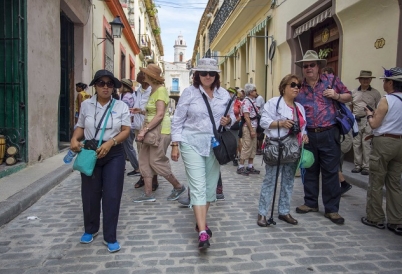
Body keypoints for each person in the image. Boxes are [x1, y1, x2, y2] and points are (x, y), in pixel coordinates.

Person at [171, 58, 235, 249]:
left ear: (216, 76)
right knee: (198, 187)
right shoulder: (189, 93)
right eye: (203, 72)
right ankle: (202, 232)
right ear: (197, 74)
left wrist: (228, 120)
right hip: (191, 142)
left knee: (209, 188)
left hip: (214, 145)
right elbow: (177, 120)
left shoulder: (224, 95)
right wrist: (175, 144)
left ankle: (201, 222)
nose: (207, 76)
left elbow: (231, 119)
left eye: (211, 73)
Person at [70, 69, 131, 253]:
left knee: (112, 194)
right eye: (101, 83)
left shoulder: (121, 107)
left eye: (109, 84)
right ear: (95, 85)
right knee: (90, 193)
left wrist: (111, 142)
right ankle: (90, 229)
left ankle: (110, 236)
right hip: (90, 152)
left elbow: (126, 130)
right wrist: (74, 139)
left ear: (114, 87)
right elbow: (81, 126)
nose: (106, 87)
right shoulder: (87, 105)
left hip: (114, 153)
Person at [294, 50, 351, 225]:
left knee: (331, 173)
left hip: (328, 132)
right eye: (305, 66)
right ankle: (311, 203)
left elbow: (349, 95)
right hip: (308, 134)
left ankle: (332, 209)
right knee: (309, 168)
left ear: (318, 66)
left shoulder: (331, 81)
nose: (309, 68)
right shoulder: (298, 87)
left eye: (312, 65)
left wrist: (337, 96)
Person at [258, 74, 308, 227]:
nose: (296, 88)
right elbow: (263, 122)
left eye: (298, 85)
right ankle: (263, 213)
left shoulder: (299, 107)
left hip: (293, 148)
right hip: (276, 147)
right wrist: (280, 123)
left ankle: (284, 211)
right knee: (270, 181)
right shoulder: (274, 103)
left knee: (288, 181)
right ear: (284, 86)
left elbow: (303, 126)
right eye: (293, 85)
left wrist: (305, 135)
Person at [133, 64, 186, 202]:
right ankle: (148, 194)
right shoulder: (152, 90)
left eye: (144, 73)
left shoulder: (161, 90)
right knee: (144, 161)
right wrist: (141, 111)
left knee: (156, 161)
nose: (142, 75)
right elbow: (154, 111)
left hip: (160, 131)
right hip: (151, 131)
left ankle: (178, 186)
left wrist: (144, 130)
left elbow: (160, 114)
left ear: (150, 76)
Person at [361, 67, 402, 236]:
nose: (383, 83)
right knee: (395, 183)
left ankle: (375, 217)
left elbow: (375, 124)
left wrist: (370, 115)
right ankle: (396, 220)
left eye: (385, 81)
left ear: (391, 83)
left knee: (377, 181)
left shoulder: (386, 99)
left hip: (384, 141)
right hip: (400, 142)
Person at [323, 67, 353, 194]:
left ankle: (342, 184)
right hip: (336, 132)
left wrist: (336, 95)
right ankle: (341, 184)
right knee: (334, 163)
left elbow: (349, 97)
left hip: (339, 131)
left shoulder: (336, 87)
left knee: (333, 163)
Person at [351, 70, 381, 175]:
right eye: (363, 78)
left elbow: (378, 108)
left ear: (370, 80)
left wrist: (374, 120)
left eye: (368, 79)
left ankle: (366, 166)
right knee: (356, 143)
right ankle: (357, 165)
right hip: (356, 120)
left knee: (366, 143)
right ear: (359, 80)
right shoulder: (353, 92)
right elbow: (351, 106)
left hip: (368, 120)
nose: (365, 80)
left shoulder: (375, 93)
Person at [132, 71, 159, 190]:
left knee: (152, 154)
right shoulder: (137, 90)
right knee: (141, 154)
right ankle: (143, 176)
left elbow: (156, 110)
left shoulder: (153, 91)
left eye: (141, 74)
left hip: (150, 126)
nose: (138, 75)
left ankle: (154, 179)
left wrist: (141, 110)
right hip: (138, 126)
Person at [237, 83, 260, 176]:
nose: (256, 92)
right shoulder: (246, 102)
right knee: (247, 146)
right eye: (254, 90)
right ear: (250, 92)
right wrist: (251, 130)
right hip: (248, 127)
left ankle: (250, 166)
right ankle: (241, 166)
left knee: (253, 147)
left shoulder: (252, 100)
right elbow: (246, 117)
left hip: (254, 126)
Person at [119, 78, 140, 177]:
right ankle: (120, 166)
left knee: (128, 148)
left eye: (120, 85)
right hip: (128, 125)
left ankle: (137, 168)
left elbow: (125, 113)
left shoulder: (126, 97)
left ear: (124, 87)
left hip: (128, 126)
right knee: (124, 148)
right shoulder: (126, 96)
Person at [228, 87, 241, 166]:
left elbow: (241, 114)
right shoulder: (226, 102)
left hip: (235, 124)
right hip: (226, 124)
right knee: (228, 141)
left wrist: (235, 120)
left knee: (235, 142)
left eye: (230, 93)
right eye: (228, 92)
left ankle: (235, 158)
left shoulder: (238, 103)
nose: (229, 94)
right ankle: (228, 155)